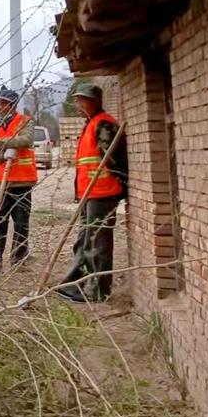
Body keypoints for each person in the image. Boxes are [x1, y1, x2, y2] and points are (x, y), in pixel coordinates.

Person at [56, 84, 127, 303]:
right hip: (90, 192)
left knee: (98, 243)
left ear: (95, 101)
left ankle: (98, 291)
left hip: (103, 192)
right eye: (78, 100)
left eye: (83, 100)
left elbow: (115, 159)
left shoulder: (104, 124)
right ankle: (76, 284)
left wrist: (123, 186)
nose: (79, 105)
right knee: (84, 241)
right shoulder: (90, 124)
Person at [0, 86, 37, 273]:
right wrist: (0, 156)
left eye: (3, 103)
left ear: (12, 105)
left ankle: (19, 260)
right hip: (0, 183)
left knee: (21, 223)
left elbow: (27, 140)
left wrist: (5, 142)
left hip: (22, 181)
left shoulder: (25, 121)